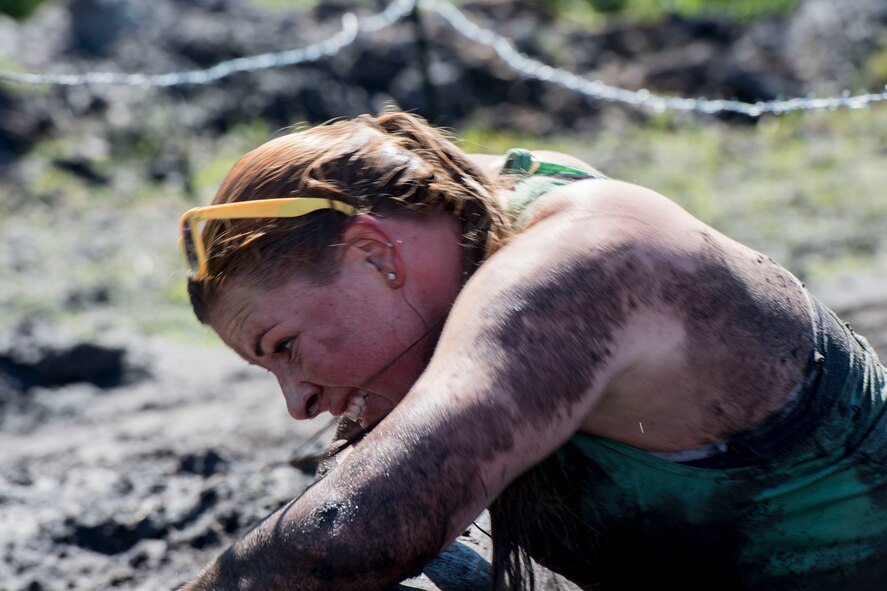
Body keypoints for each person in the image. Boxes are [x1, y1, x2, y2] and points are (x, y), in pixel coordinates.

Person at [176, 110, 887, 591]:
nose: (296, 402)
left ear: (374, 254)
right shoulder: (467, 203)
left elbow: (354, 532)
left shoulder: (582, 267)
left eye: (286, 346)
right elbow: (388, 167)